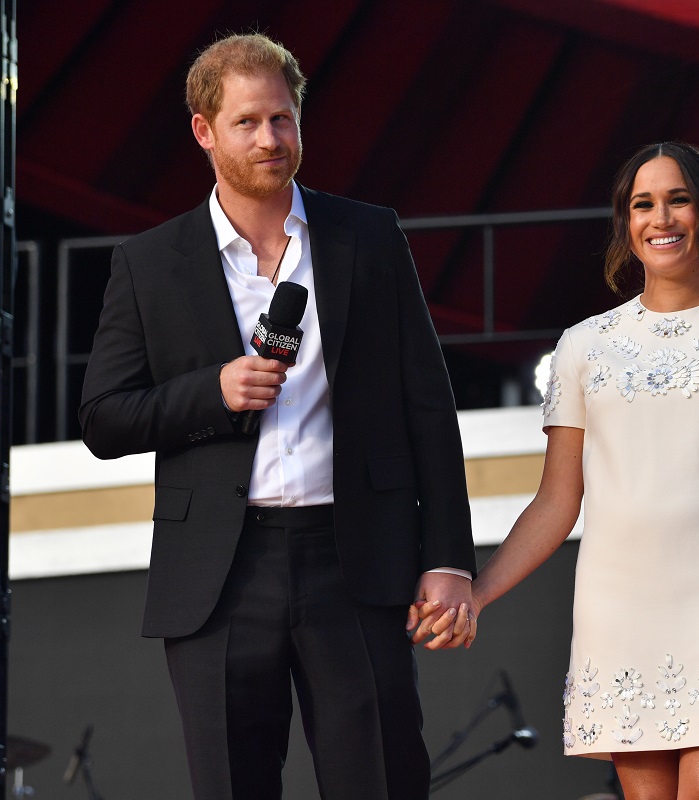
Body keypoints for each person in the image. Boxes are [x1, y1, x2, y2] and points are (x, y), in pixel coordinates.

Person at [78, 33, 476, 800]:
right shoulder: (151, 262)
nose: (270, 139)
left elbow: (428, 405)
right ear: (204, 130)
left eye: (284, 120)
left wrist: (449, 557)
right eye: (248, 122)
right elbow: (103, 418)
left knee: (386, 782)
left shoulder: (367, 236)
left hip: (356, 560)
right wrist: (213, 390)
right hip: (221, 577)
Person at [416, 142, 699, 799]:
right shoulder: (584, 346)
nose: (660, 218)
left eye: (678, 199)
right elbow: (556, 500)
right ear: (625, 222)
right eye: (643, 204)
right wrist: (478, 590)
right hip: (621, 611)